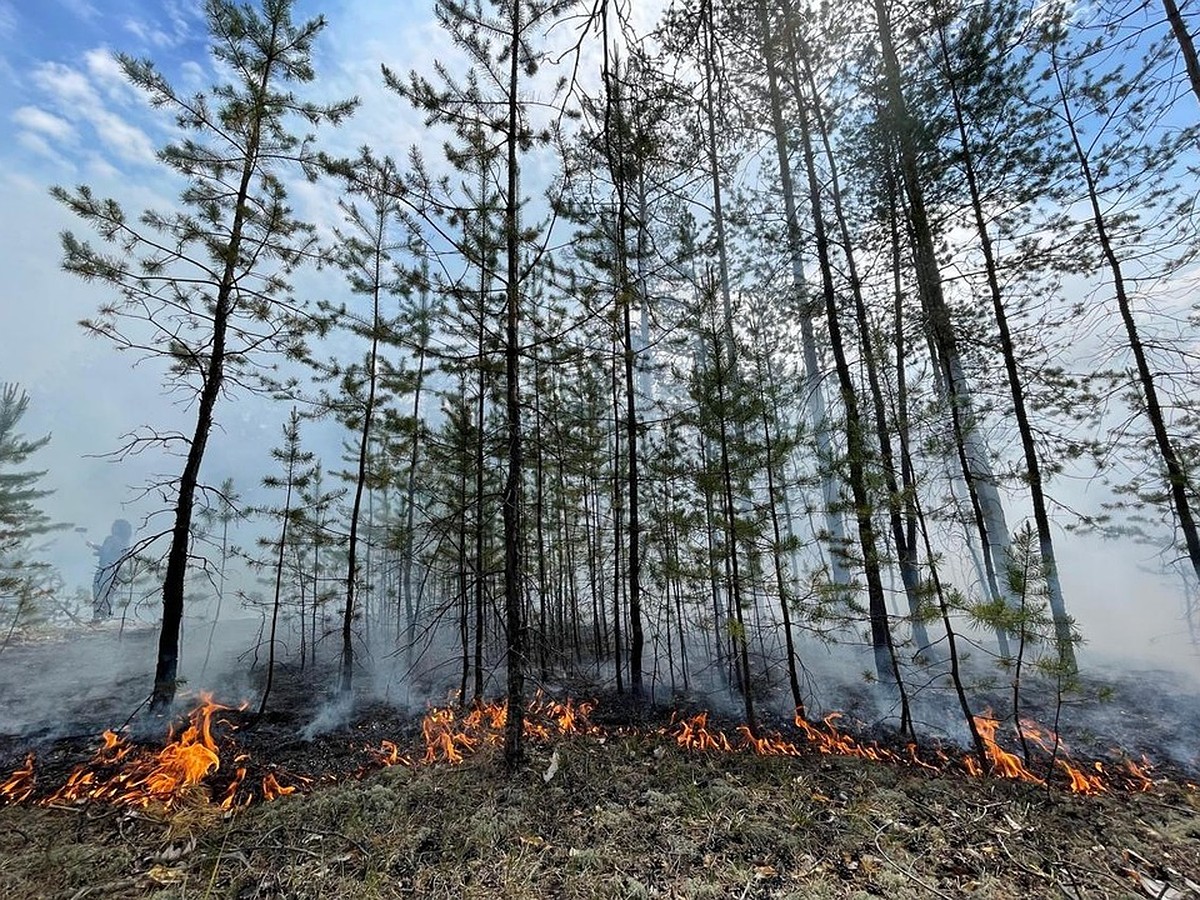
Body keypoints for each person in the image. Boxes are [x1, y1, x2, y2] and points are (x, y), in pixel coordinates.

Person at [90, 519, 131, 622]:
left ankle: (98, 616)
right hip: (118, 570)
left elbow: (106, 552)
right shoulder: (125, 541)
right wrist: (95, 547)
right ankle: (106, 616)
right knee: (109, 593)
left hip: (106, 569)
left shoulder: (111, 539)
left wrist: (95, 549)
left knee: (99, 591)